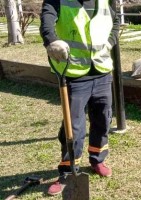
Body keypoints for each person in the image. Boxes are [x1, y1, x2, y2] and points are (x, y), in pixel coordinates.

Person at [39, 0, 120, 196]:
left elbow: (115, 21)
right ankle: (68, 171)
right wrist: (51, 41)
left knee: (103, 118)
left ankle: (97, 158)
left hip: (101, 72)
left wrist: (109, 42)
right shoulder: (57, 1)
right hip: (74, 74)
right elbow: (46, 24)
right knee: (73, 126)